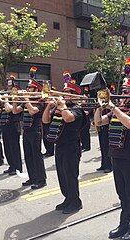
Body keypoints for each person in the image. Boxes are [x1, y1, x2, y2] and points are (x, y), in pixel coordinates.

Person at [94, 76, 130, 240]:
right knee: (122, 194)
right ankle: (124, 224)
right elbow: (98, 122)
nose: (122, 94)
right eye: (122, 91)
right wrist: (100, 106)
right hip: (116, 155)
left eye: (125, 92)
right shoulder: (117, 110)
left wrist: (114, 108)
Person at [43, 78, 87, 214]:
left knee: (70, 175)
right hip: (60, 146)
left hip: (71, 147)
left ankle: (75, 202)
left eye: (68, 93)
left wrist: (62, 106)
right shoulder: (59, 108)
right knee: (62, 175)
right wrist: (48, 107)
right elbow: (45, 120)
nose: (63, 95)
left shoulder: (78, 109)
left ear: (74, 95)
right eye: (64, 92)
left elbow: (68, 118)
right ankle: (67, 198)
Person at [13, 78, 47, 189]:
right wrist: (14, 100)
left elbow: (32, 111)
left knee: (36, 155)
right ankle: (32, 177)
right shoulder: (26, 101)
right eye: (27, 87)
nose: (27, 89)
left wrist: (26, 99)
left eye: (30, 87)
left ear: (36, 89)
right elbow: (15, 111)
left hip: (36, 130)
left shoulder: (41, 100)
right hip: (26, 130)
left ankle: (41, 179)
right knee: (28, 155)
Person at [0, 76, 22, 175]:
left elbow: (9, 109)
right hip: (5, 126)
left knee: (14, 148)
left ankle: (17, 167)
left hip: (13, 126)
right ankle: (11, 166)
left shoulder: (17, 99)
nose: (8, 90)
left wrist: (6, 100)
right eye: (8, 89)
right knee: (7, 148)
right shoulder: (5, 99)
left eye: (10, 89)